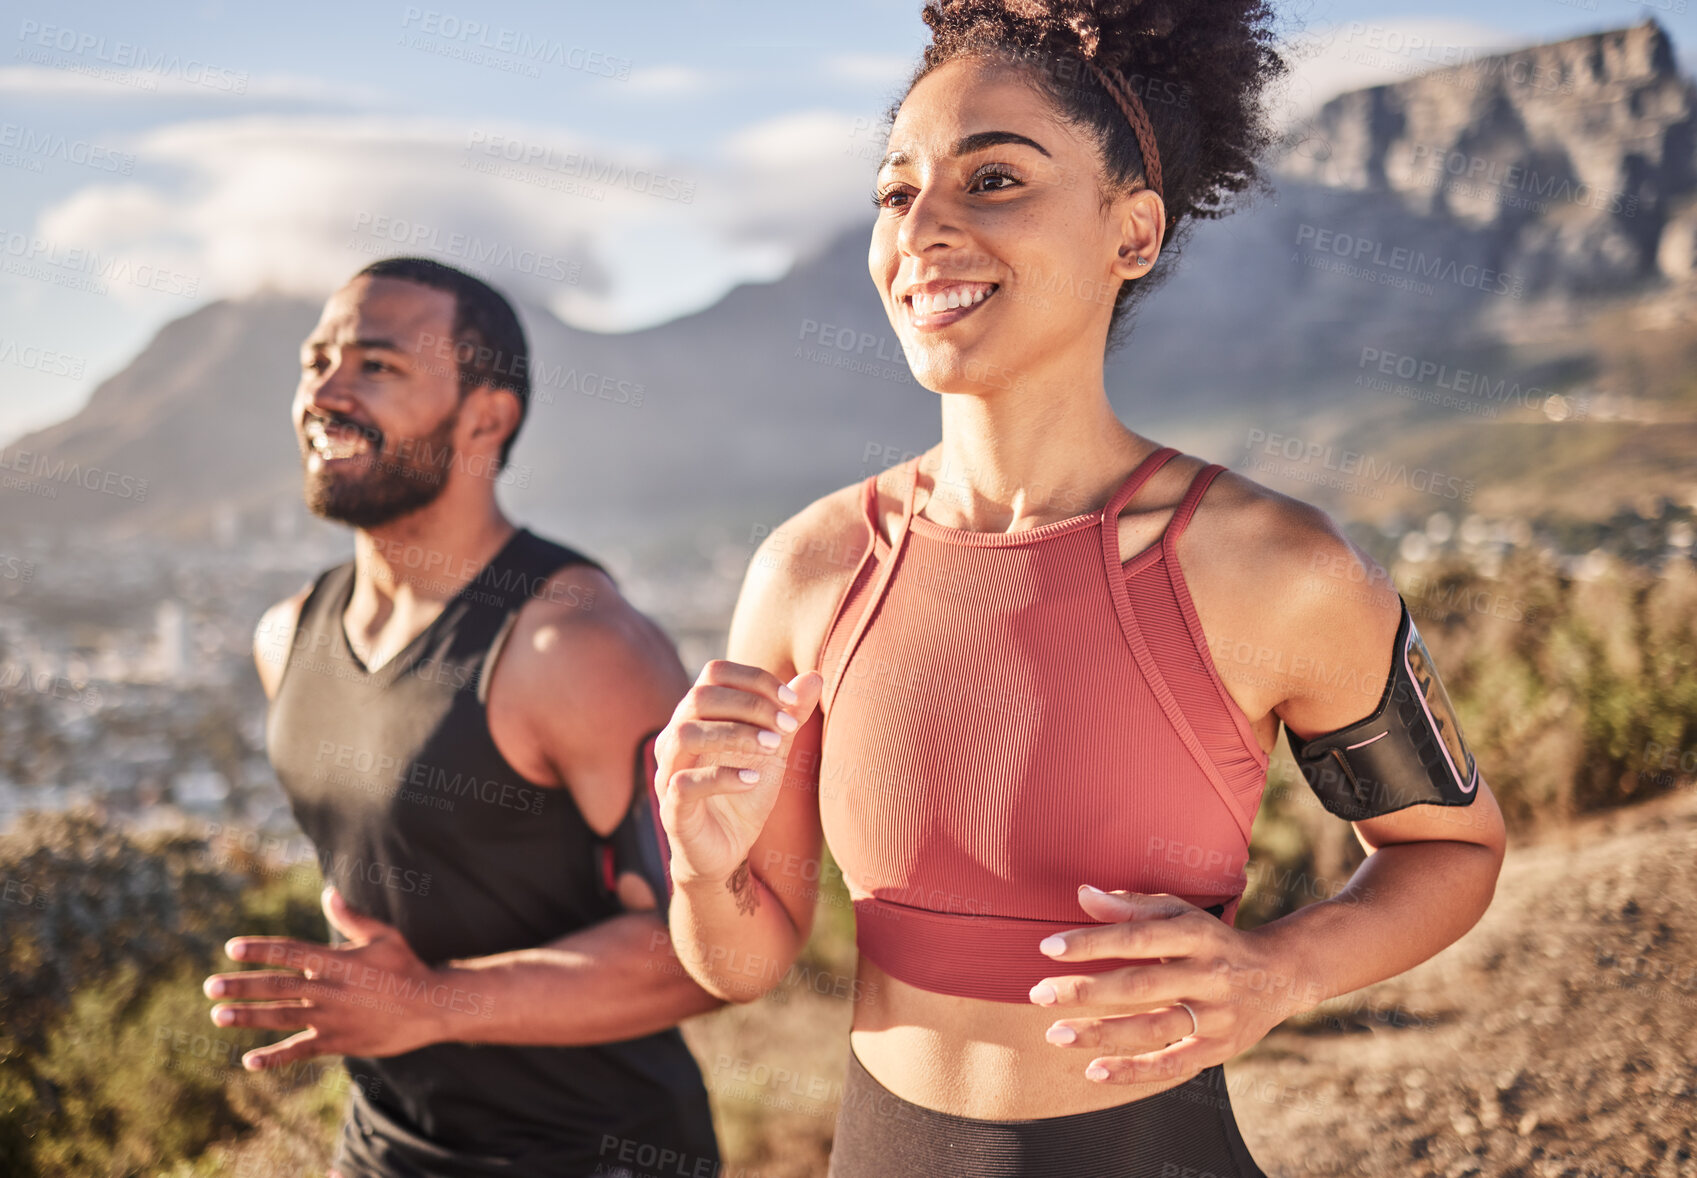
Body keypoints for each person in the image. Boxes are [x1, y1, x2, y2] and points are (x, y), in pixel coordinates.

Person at [651, 2, 1508, 1176]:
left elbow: (1450, 848)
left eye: (992, 178)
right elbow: (741, 960)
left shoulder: (1274, 566)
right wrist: (701, 863)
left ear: (1132, 232)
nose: (924, 228)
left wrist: (1282, 969)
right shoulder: (806, 568)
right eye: (895, 192)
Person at [203, 256, 723, 1178]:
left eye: (377, 366)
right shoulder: (286, 637)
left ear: (487, 416)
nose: (325, 391)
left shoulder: (575, 648)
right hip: (384, 1143)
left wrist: (435, 1003)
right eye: (314, 360)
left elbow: (703, 952)